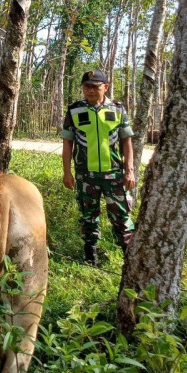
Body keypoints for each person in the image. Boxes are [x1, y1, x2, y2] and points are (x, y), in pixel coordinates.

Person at [61, 69, 136, 265]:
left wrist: (129, 171)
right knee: (88, 217)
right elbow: (67, 143)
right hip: (86, 177)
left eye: (95, 87)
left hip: (114, 175)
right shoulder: (75, 110)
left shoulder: (118, 110)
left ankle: (130, 259)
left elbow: (126, 142)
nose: (90, 91)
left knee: (121, 216)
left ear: (106, 87)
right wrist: (67, 172)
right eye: (87, 87)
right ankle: (90, 257)